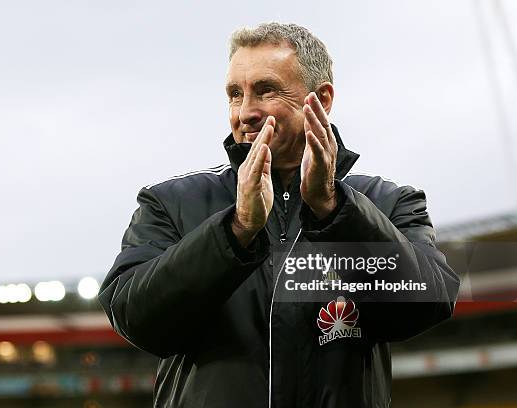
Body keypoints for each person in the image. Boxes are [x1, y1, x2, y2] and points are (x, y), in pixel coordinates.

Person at [99, 22, 460, 408]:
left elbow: (426, 304)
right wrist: (236, 230)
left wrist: (333, 209)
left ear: (320, 99)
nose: (246, 112)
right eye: (235, 95)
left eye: (265, 90)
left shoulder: (389, 202)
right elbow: (135, 318)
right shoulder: (170, 202)